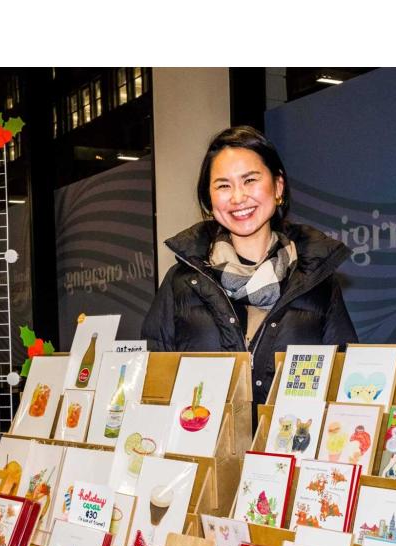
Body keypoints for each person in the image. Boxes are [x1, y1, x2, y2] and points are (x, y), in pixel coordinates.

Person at [142, 126, 357, 405]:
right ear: (209, 200)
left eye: (250, 180)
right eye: (223, 185)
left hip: (290, 445)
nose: (238, 197)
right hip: (202, 444)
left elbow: (345, 384)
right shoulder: (181, 282)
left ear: (278, 187)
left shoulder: (317, 279)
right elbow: (153, 386)